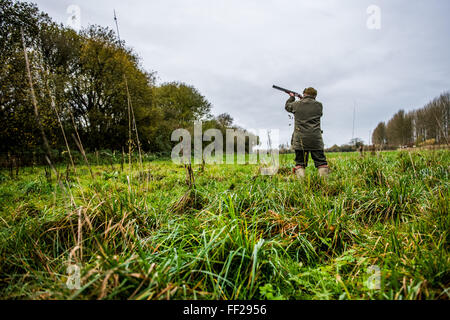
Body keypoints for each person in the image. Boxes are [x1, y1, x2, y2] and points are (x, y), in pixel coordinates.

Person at [285, 87, 329, 178]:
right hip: (316, 140)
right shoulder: (319, 105)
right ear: (315, 96)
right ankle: (324, 185)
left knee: (300, 163)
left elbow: (287, 106)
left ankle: (302, 186)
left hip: (300, 140)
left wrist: (292, 97)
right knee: (321, 163)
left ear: (304, 94)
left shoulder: (296, 104)